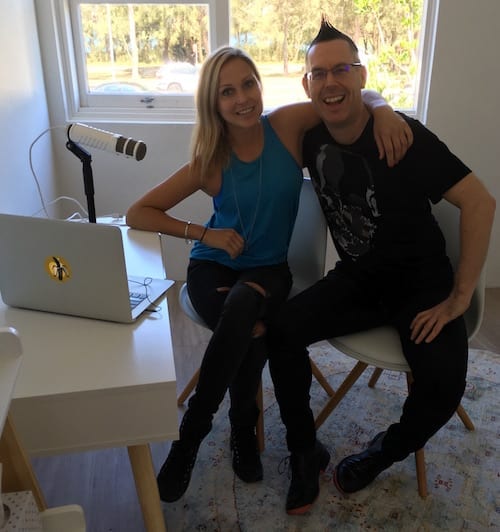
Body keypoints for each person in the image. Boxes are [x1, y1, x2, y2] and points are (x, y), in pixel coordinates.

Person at [126, 45, 412, 503]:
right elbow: (139, 212)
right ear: (213, 104)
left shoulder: (287, 125)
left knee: (244, 310)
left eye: (249, 84)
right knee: (250, 329)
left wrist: (383, 110)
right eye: (227, 92)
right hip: (211, 268)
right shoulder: (209, 160)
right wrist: (205, 232)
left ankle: (189, 441)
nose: (242, 99)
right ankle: (240, 431)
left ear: (261, 86)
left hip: (269, 271)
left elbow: (355, 94)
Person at [266, 17, 496, 516]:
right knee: (280, 331)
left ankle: (380, 452)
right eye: (319, 73)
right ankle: (305, 451)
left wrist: (460, 296)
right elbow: (257, 126)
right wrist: (378, 101)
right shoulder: (307, 134)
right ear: (307, 84)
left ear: (361, 75)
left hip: (423, 286)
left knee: (444, 387)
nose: (331, 82)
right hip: (358, 283)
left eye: (342, 70)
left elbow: (481, 203)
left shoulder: (403, 136)